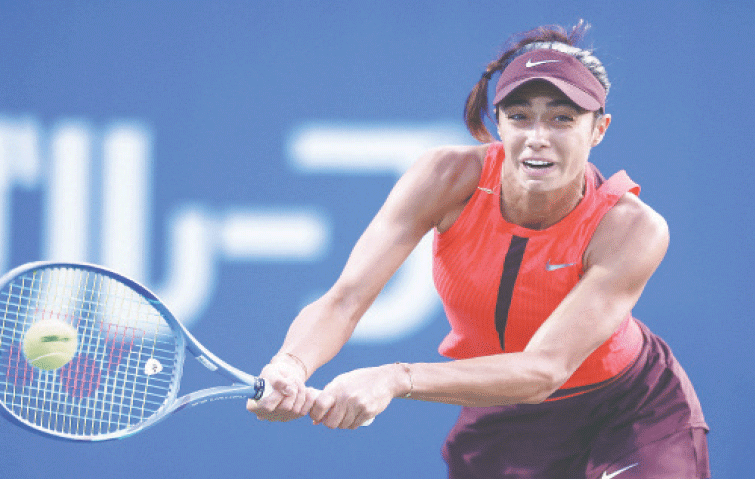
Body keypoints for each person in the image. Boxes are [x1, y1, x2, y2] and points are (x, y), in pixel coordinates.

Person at [247, 21, 709, 478]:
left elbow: (543, 370)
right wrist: (290, 364)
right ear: (499, 124)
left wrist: (396, 377)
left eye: (562, 118)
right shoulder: (445, 178)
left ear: (599, 130)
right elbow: (345, 299)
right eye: (520, 116)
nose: (538, 136)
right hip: (502, 417)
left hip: (630, 413)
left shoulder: (632, 229)